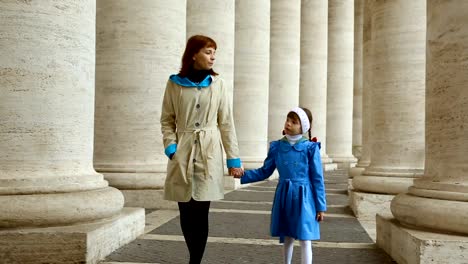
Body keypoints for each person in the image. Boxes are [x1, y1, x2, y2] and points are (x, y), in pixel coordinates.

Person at [160, 35, 243, 264]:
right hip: (183, 153)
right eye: (208, 52)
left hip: (209, 153)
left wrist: (233, 160)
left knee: (201, 212)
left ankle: (195, 261)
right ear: (193, 54)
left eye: (214, 52)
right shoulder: (174, 83)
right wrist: (171, 148)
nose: (213, 56)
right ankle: (193, 256)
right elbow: (167, 119)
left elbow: (226, 123)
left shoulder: (218, 84)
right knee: (186, 213)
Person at [234, 107, 326, 264]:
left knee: (305, 237)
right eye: (287, 120)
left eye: (294, 122)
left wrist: (320, 206)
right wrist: (243, 176)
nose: (288, 124)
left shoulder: (310, 148)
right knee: (287, 235)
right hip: (284, 194)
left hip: (305, 197)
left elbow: (317, 179)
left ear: (303, 127)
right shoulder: (277, 147)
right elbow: (265, 171)